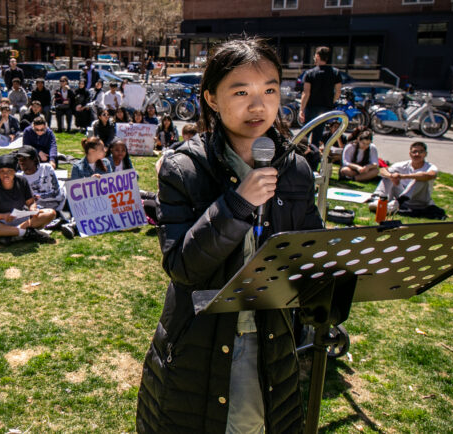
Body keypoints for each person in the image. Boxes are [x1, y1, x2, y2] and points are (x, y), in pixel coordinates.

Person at [136, 37, 324, 433]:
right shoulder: (183, 169)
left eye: (270, 90)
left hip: (273, 345)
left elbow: (311, 257)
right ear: (212, 99)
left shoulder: (296, 170)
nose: (259, 106)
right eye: (241, 92)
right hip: (200, 344)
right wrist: (237, 204)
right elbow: (183, 267)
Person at [0, 154, 55, 243]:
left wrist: (33, 208)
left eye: (9, 171)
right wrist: (3, 216)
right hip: (1, 222)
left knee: (50, 213)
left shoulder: (22, 181)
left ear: (15, 171)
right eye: (2, 171)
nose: (5, 175)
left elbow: (31, 202)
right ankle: (25, 232)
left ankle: (14, 233)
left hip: (21, 217)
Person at [371, 141, 445, 219]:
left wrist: (402, 176)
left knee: (420, 176)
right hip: (401, 197)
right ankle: (380, 200)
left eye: (420, 152)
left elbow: (430, 175)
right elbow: (382, 170)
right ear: (410, 154)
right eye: (414, 152)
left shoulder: (430, 167)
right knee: (391, 173)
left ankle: (394, 205)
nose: (417, 154)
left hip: (419, 200)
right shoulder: (403, 164)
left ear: (425, 154)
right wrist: (391, 176)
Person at [299, 46, 342, 146]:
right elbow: (338, 91)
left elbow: (306, 93)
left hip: (311, 107)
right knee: (317, 136)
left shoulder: (310, 73)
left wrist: (301, 109)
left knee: (304, 134)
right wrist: (332, 101)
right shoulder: (335, 72)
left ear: (317, 56)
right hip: (325, 108)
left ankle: (299, 154)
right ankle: (313, 157)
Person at [16, 145, 65, 212]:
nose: (21, 162)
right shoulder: (19, 177)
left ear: (34, 159)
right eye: (19, 159)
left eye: (24, 159)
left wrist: (39, 197)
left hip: (54, 207)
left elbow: (57, 194)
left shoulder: (46, 169)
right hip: (34, 210)